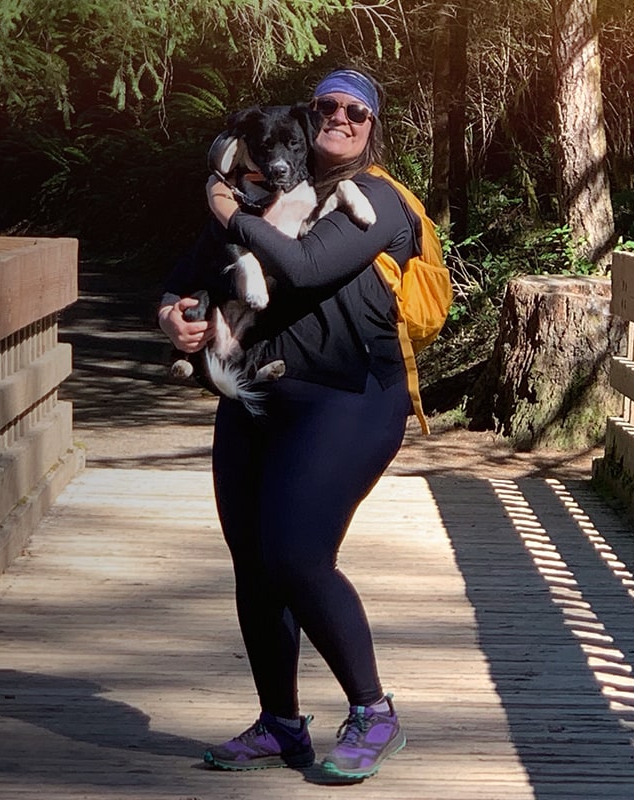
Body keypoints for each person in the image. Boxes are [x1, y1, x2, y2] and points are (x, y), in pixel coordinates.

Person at [157, 67, 420, 782]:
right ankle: (280, 725)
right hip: (257, 397)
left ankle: (374, 713)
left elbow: (301, 267)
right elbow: (188, 272)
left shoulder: (378, 200)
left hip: (350, 402)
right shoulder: (265, 195)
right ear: (307, 118)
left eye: (357, 112)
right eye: (328, 106)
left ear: (372, 128)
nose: (341, 118)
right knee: (253, 562)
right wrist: (171, 315)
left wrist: (225, 207)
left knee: (298, 554)